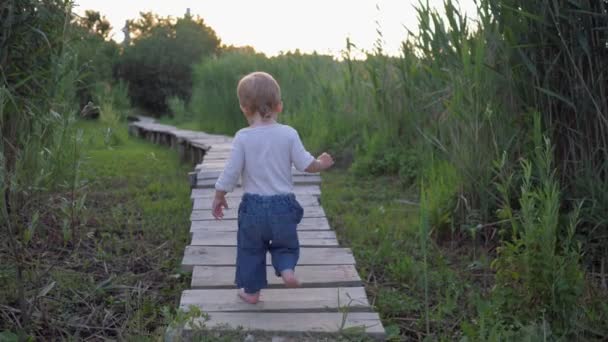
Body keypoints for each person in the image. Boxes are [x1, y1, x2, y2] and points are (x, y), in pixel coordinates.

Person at [212, 71, 334, 304]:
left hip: (253, 209)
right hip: (283, 207)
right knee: (285, 244)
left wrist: (219, 195)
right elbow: (305, 164)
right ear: (279, 106)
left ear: (244, 109)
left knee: (250, 251)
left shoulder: (242, 138)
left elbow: (231, 171)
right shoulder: (288, 134)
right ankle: (287, 269)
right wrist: (322, 163)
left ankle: (251, 292)